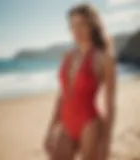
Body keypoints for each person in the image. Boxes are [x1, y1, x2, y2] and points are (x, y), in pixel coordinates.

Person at [44, 3, 116, 160]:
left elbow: (110, 104)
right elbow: (62, 95)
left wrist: (106, 143)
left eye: (82, 24)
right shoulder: (68, 56)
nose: (77, 30)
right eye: (73, 25)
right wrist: (51, 128)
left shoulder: (104, 58)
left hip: (89, 124)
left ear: (92, 25)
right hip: (66, 124)